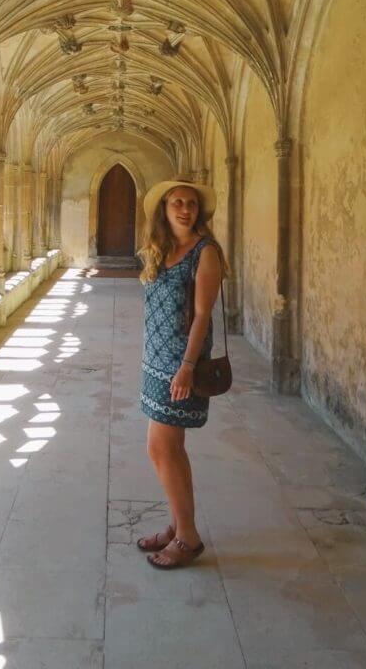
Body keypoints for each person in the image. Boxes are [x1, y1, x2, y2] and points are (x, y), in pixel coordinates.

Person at [136, 179, 227, 569]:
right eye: (177, 202)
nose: (185, 209)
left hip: (180, 367)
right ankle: (177, 525)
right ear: (164, 209)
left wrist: (187, 368)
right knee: (170, 448)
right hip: (155, 363)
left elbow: (203, 315)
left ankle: (188, 537)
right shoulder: (162, 250)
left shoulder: (205, 253)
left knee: (160, 448)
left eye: (191, 203)